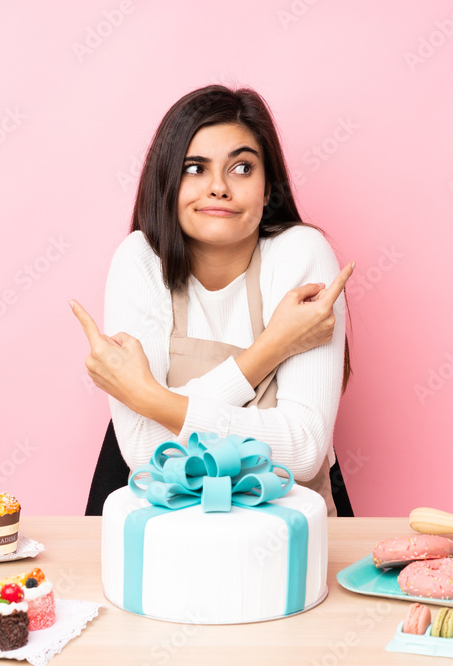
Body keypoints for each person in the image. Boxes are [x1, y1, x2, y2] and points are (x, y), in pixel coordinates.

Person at [72, 84, 354, 516]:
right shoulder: (140, 260)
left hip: (284, 527)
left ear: (267, 187)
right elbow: (146, 451)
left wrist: (157, 402)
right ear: (167, 181)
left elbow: (303, 451)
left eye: (242, 168)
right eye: (194, 168)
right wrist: (272, 348)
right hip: (159, 521)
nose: (219, 187)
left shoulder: (301, 252)